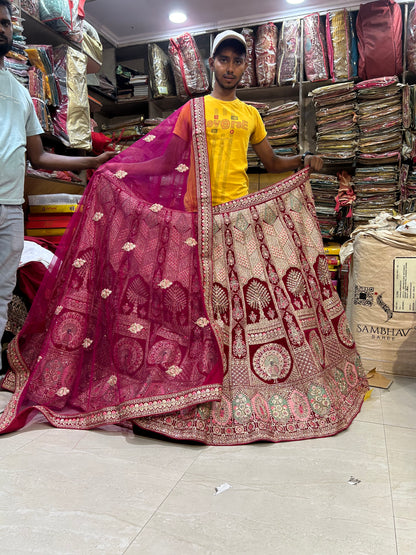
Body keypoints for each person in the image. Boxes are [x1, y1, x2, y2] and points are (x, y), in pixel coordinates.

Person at [0, 30, 368, 442]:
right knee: (195, 304)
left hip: (236, 220)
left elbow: (270, 160)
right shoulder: (194, 110)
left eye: (237, 61)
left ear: (245, 66)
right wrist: (115, 170)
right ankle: (192, 381)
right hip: (196, 223)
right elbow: (167, 162)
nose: (230, 67)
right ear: (211, 63)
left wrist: (303, 162)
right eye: (223, 60)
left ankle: (237, 379)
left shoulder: (251, 115)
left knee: (235, 305)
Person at [0, 0, 114, 373]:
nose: (1, 29)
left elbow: (40, 158)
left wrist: (90, 162)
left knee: (2, 291)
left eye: (4, 23)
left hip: (11, 207)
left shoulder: (19, 93)